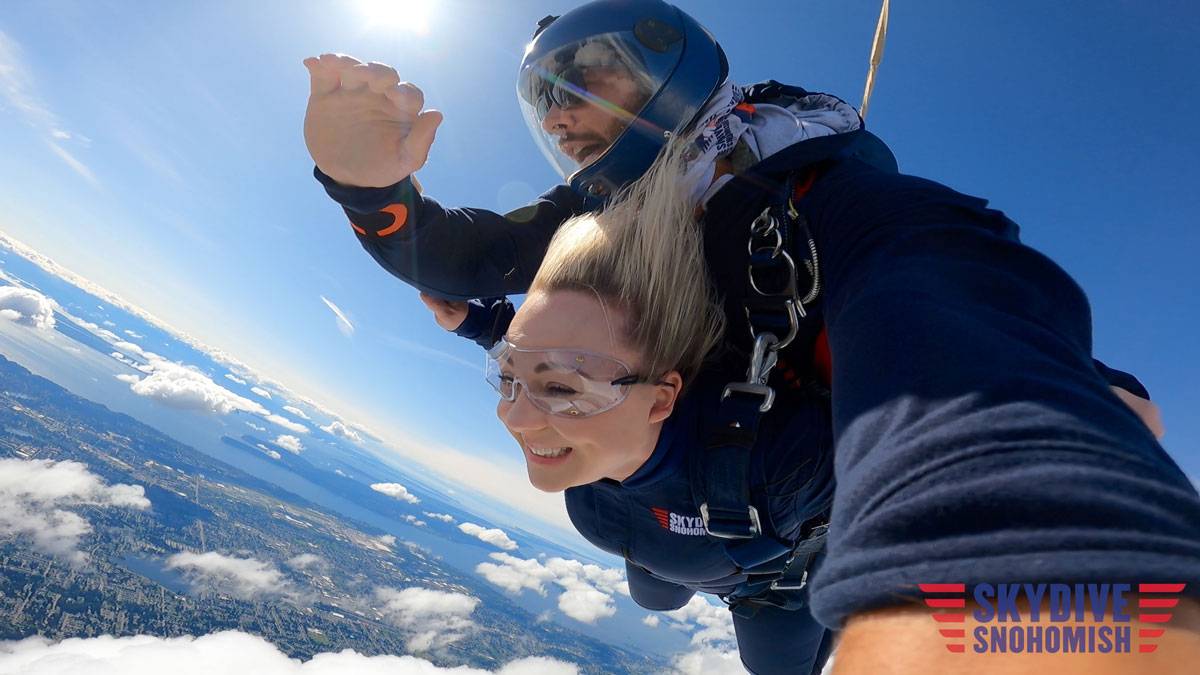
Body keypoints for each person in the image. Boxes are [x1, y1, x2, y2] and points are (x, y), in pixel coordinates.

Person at [304, 0, 1200, 668]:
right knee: (650, 574)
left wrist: (1021, 522)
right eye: (545, 102)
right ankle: (662, 571)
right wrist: (370, 189)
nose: (561, 116)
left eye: (584, 82)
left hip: (771, 550)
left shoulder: (819, 197)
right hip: (656, 490)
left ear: (674, 66)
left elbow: (932, 291)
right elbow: (474, 254)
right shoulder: (613, 202)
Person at [446, 140, 834, 674]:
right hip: (658, 554)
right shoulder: (587, 446)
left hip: (768, 587)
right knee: (655, 597)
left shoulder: (777, 461)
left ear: (663, 398)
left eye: (561, 390)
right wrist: (473, 323)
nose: (513, 416)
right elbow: (558, 357)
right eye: (509, 379)